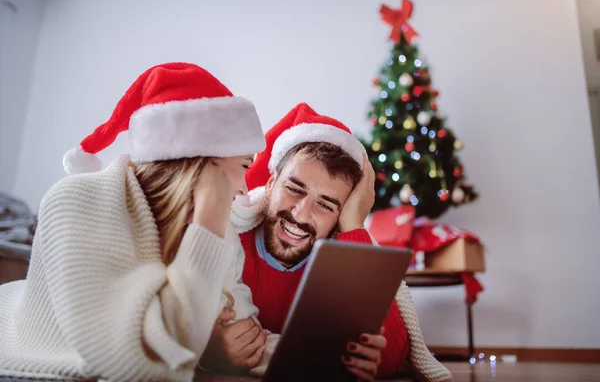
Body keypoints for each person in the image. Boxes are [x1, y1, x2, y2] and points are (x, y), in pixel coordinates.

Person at [0, 62, 266, 382]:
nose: (244, 188)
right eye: (243, 166)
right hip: (23, 345)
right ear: (204, 162)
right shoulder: (72, 199)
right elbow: (142, 365)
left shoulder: (204, 228)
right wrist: (210, 210)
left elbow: (218, 330)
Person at [206, 103, 453, 382]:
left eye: (325, 205)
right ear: (272, 182)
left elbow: (395, 351)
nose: (300, 214)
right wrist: (207, 350)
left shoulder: (345, 258)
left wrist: (354, 228)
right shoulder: (222, 236)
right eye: (294, 189)